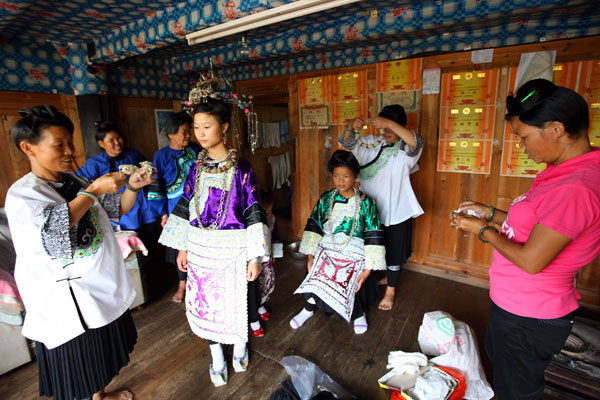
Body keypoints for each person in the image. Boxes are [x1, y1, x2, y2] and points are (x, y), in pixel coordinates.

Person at [452, 79, 600, 400]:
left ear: (556, 129)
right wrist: (491, 213)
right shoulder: (564, 170)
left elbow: (532, 260)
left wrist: (482, 230)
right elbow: (538, 225)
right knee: (506, 375)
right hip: (519, 305)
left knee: (517, 391)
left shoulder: (575, 187)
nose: (522, 146)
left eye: (524, 136)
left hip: (530, 314)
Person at [5, 105, 155, 400]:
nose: (69, 151)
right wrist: (93, 191)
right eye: (58, 145)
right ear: (28, 148)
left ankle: (100, 396)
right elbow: (56, 238)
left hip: (97, 289)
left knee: (99, 360)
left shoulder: (74, 181)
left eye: (69, 142)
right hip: (66, 304)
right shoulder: (23, 195)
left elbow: (115, 209)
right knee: (79, 371)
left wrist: (133, 187)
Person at [159, 97, 270, 387]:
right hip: (201, 249)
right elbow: (185, 205)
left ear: (224, 127)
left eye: (207, 126)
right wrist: (182, 246)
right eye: (196, 127)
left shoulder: (242, 168)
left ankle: (241, 345)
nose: (200, 133)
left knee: (239, 301)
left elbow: (254, 211)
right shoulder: (196, 168)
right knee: (205, 302)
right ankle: (216, 354)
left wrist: (255, 257)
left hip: (234, 250)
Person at [290, 150, 386, 334]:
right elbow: (314, 226)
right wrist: (310, 256)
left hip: (356, 249)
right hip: (329, 245)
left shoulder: (367, 203)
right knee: (318, 265)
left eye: (346, 176)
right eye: (336, 176)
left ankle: (358, 313)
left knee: (353, 272)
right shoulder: (326, 198)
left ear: (355, 176)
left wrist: (367, 271)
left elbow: (374, 235)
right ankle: (309, 308)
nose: (341, 181)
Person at [338, 105, 424, 310]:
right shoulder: (371, 143)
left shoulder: (405, 149)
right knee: (369, 249)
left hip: (397, 211)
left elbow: (417, 142)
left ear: (400, 126)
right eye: (383, 129)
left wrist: (390, 124)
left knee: (394, 253)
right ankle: (370, 282)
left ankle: (390, 291)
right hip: (369, 211)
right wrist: (351, 126)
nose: (386, 133)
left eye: (390, 128)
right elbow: (346, 141)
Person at [147, 111, 202, 303]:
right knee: (181, 248)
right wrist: (163, 214)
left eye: (189, 131)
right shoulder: (161, 156)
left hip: (199, 207)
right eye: (183, 132)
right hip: (175, 210)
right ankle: (182, 285)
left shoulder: (195, 149)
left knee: (199, 245)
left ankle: (200, 282)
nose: (188, 135)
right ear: (170, 134)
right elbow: (156, 186)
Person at [76, 121, 155, 233]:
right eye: (111, 140)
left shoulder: (132, 154)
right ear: (101, 143)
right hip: (121, 212)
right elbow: (77, 181)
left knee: (150, 237)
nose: (117, 142)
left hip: (142, 207)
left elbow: (146, 166)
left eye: (118, 138)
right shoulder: (95, 164)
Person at [253, 189, 284, 336]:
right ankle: (253, 312)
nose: (268, 215)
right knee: (253, 288)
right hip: (254, 263)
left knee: (265, 283)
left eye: (270, 211)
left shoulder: (271, 221)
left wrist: (275, 254)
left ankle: (261, 305)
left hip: (267, 261)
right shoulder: (251, 225)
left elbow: (276, 238)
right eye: (264, 212)